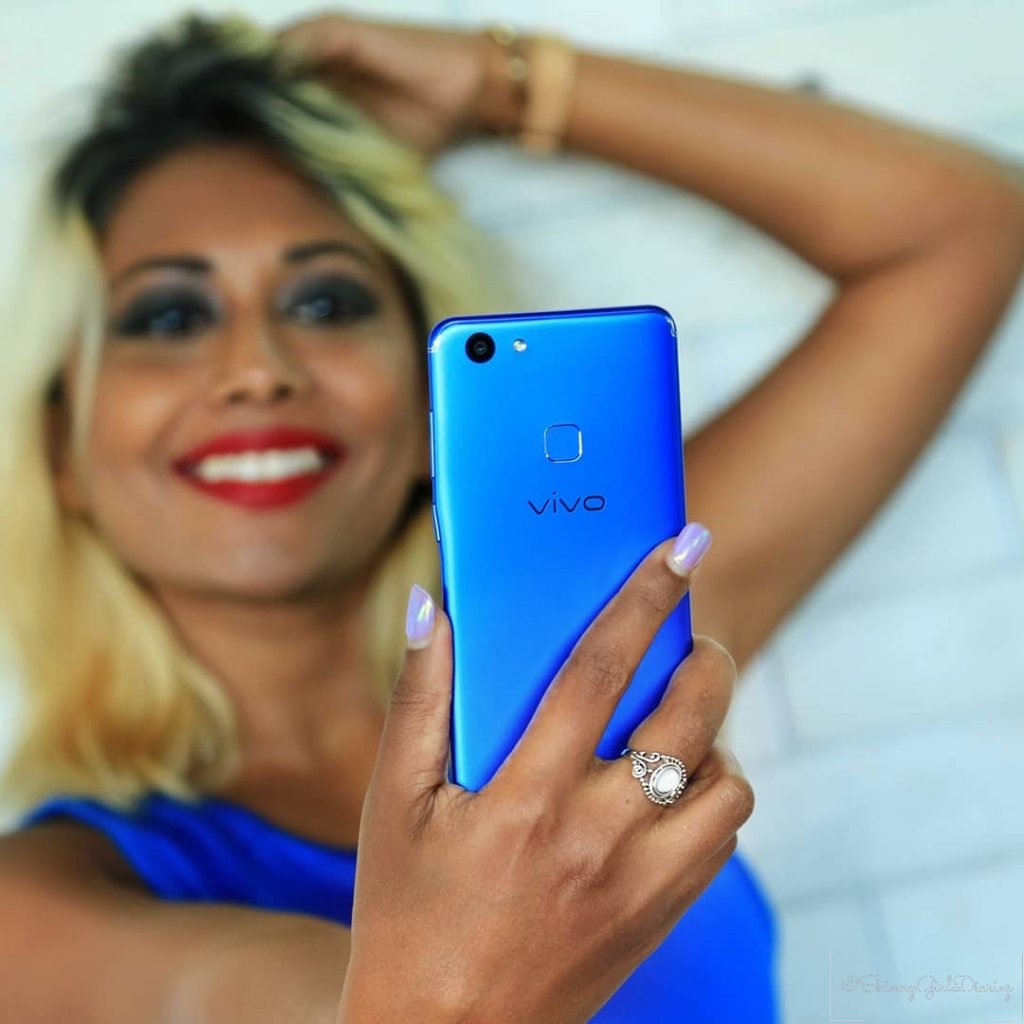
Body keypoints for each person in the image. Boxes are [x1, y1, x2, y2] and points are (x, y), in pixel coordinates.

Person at [0, 9, 1020, 1023]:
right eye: (170, 316)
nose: (258, 369)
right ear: (61, 451)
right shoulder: (41, 905)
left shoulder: (614, 636)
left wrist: (506, 84)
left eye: (325, 303)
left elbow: (957, 230)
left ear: (429, 415)